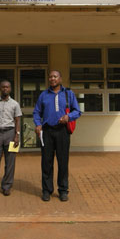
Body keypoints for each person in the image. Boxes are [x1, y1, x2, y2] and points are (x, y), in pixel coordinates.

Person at [33, 70, 81, 202]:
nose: (52, 78)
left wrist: (68, 116)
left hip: (62, 132)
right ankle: (47, 190)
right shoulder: (43, 95)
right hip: (47, 131)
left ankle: (63, 190)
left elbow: (77, 111)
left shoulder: (68, 94)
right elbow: (36, 112)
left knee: (63, 162)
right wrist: (38, 124)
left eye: (55, 76)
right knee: (46, 162)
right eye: (50, 76)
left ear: (60, 79)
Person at [0, 80, 22, 196]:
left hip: (10, 134)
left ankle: (6, 186)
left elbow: (17, 120)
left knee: (10, 162)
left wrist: (17, 135)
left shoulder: (15, 104)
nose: (5, 89)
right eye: (3, 87)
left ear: (10, 89)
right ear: (0, 89)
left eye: (7, 87)